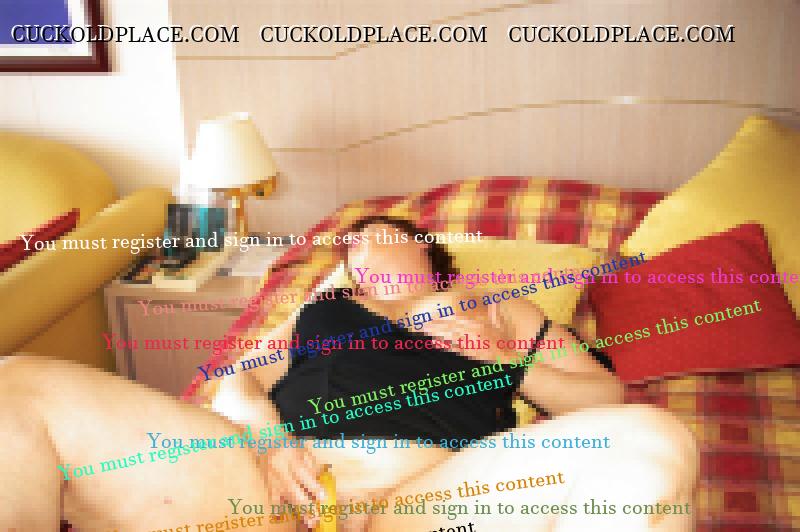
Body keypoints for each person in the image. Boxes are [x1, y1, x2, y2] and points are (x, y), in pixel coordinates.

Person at [0, 216, 697, 532]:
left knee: (652, 440)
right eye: (351, 252)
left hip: (423, 499)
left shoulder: (498, 310)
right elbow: (236, 380)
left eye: (377, 239)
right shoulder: (322, 308)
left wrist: (506, 361)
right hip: (267, 487)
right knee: (15, 385)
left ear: (428, 251)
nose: (360, 255)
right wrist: (270, 442)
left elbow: (605, 395)